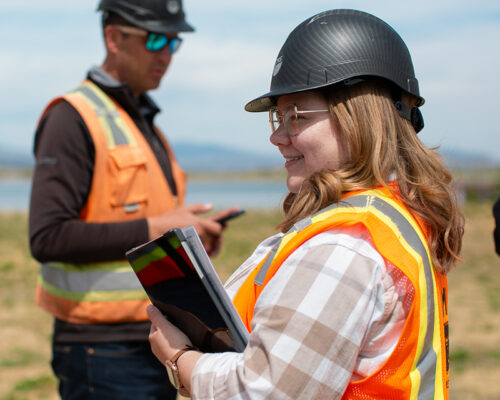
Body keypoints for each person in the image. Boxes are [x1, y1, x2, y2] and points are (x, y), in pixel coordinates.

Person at [146, 9, 464, 399]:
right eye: (277, 117)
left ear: (358, 115)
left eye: (296, 116)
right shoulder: (393, 218)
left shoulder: (343, 247)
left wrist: (180, 360)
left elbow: (262, 393)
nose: (277, 136)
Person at [29, 0, 237, 398]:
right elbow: (48, 237)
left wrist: (185, 241)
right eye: (154, 38)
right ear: (113, 38)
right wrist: (159, 228)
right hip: (102, 350)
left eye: (173, 42)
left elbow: (144, 224)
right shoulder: (72, 118)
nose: (165, 54)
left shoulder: (144, 125)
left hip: (157, 340)